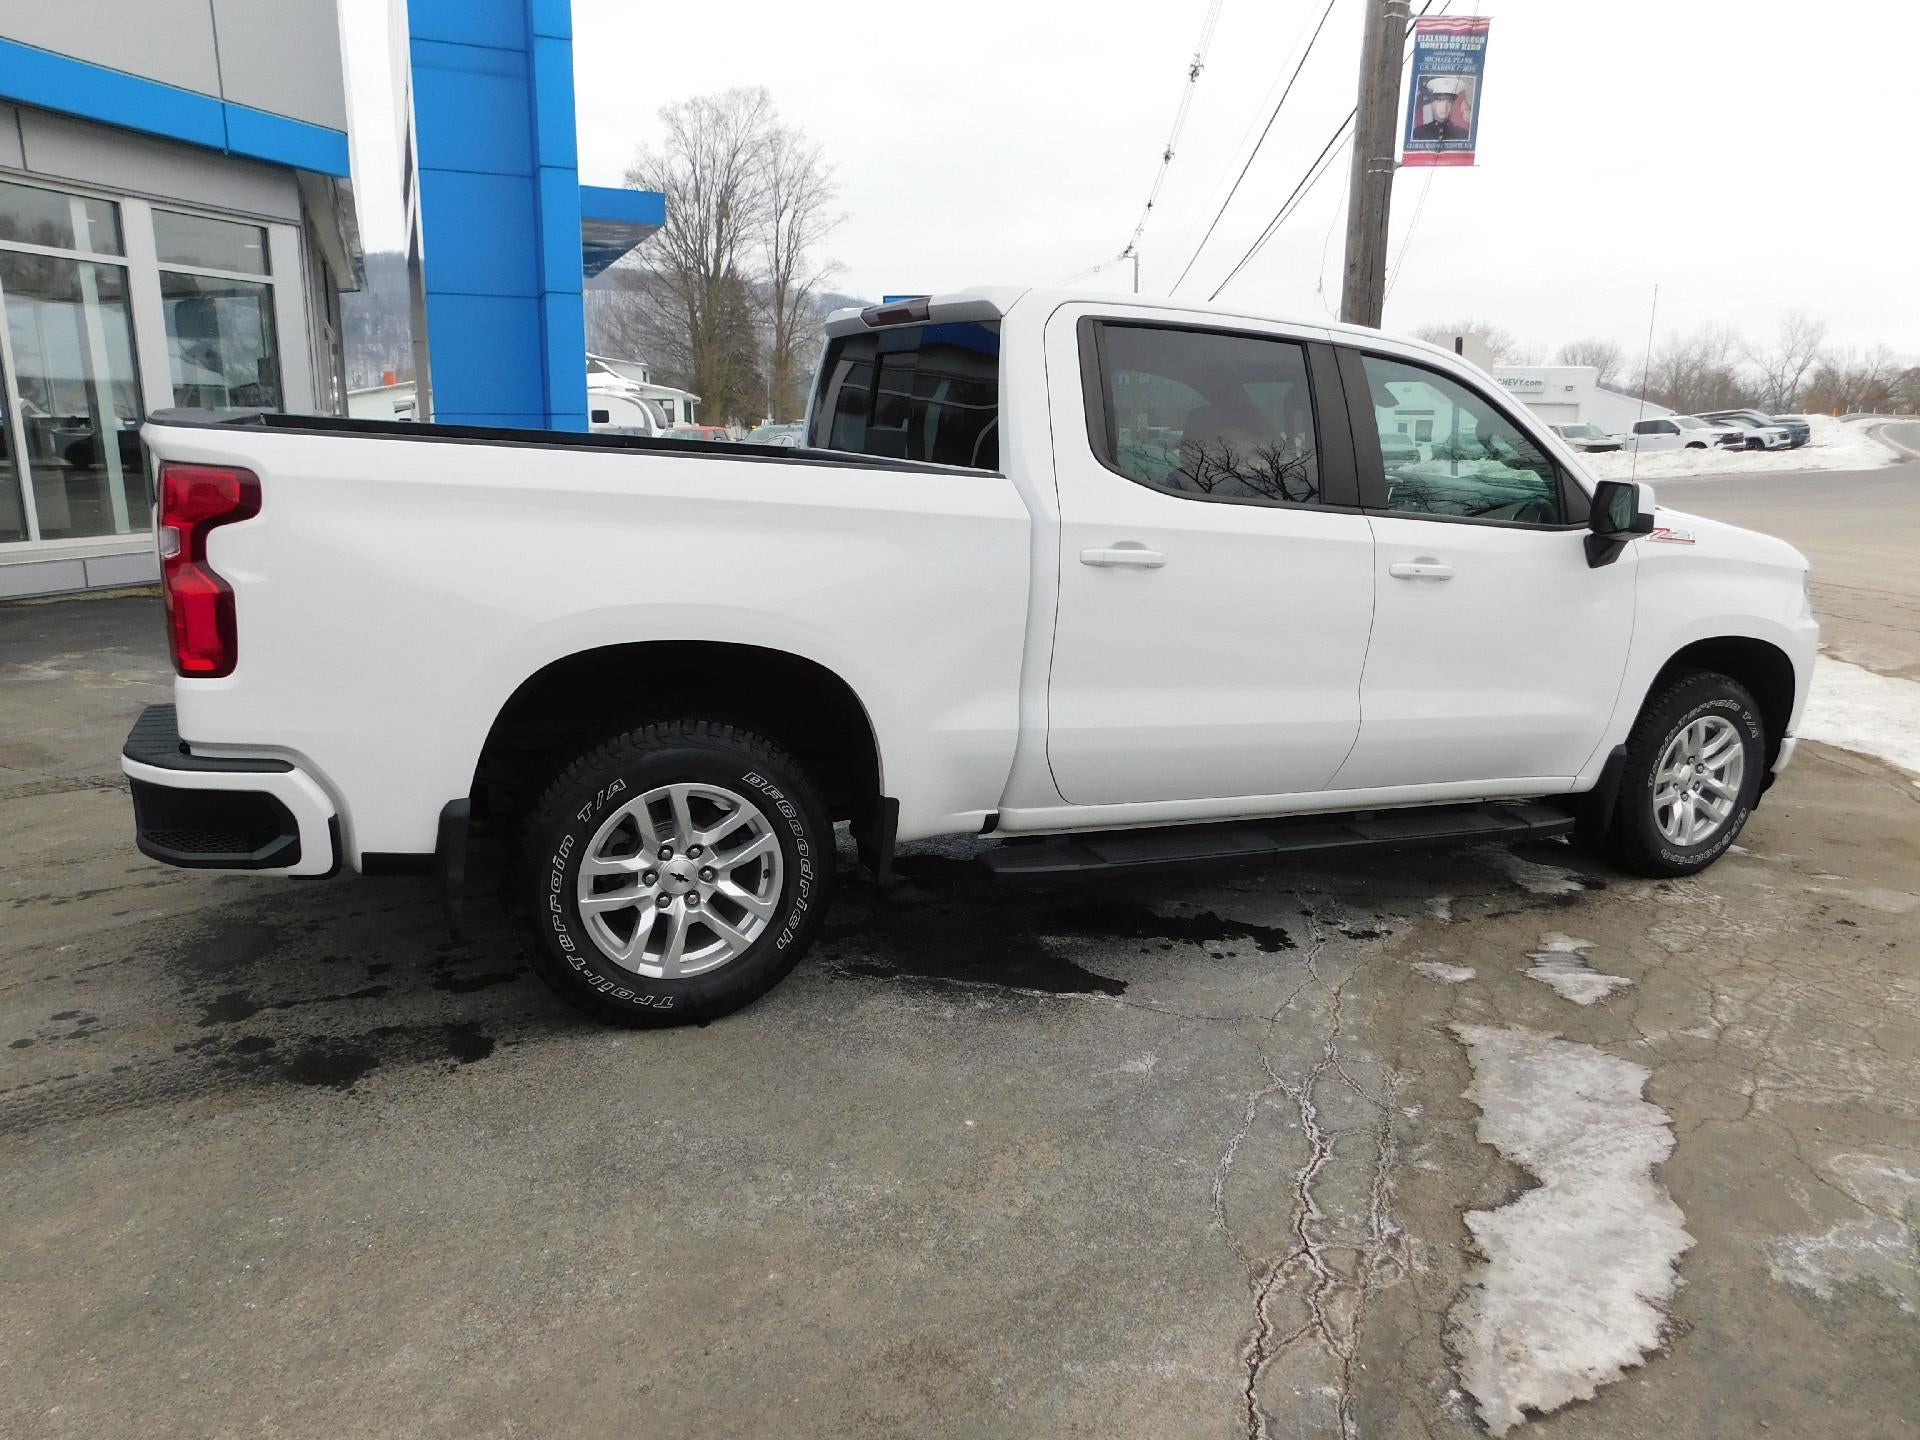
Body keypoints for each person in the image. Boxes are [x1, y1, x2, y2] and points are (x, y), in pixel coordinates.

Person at [1413, 76, 1472, 142]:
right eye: (1440, 101)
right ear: (1432, 105)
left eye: (1449, 102)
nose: (1444, 106)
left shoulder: (1463, 135)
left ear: (1452, 106)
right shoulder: (1418, 134)